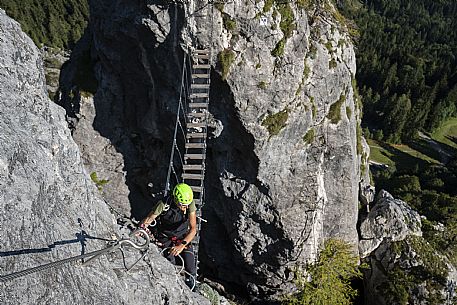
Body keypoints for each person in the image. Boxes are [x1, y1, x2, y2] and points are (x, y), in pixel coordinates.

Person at [139, 183, 197, 288]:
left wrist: (182, 245)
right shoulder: (164, 204)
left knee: (191, 266)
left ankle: (191, 286)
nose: (186, 207)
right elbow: (149, 219)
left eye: (187, 204)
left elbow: (193, 229)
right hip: (165, 237)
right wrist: (141, 228)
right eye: (183, 204)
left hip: (182, 236)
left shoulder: (189, 203)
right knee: (171, 265)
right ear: (176, 199)